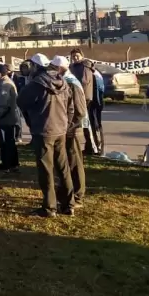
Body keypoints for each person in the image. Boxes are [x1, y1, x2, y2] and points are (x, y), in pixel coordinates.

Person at [17, 54, 75, 217]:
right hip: (60, 130)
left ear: (34, 67)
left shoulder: (36, 84)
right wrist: (66, 124)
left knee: (46, 169)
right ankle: (68, 204)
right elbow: (70, 106)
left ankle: (49, 208)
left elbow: (21, 101)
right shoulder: (62, 80)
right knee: (63, 167)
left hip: (43, 131)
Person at [52, 56, 88, 208]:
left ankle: (78, 196)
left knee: (74, 163)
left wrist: (69, 128)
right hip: (65, 129)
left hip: (72, 130)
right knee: (65, 163)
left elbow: (80, 111)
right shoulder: (63, 81)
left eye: (53, 68)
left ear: (60, 68)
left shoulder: (72, 83)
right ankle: (67, 195)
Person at [0, 64, 20, 173]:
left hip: (5, 119)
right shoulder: (5, 83)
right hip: (8, 118)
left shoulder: (5, 85)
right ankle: (13, 164)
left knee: (5, 143)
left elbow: (2, 105)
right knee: (10, 142)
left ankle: (6, 165)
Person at [70, 48, 100, 154]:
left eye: (77, 55)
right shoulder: (73, 67)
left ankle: (93, 146)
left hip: (85, 98)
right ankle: (89, 146)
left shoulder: (85, 66)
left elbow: (84, 81)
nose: (75, 58)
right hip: (77, 97)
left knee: (87, 123)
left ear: (82, 56)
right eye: (73, 56)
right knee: (82, 122)